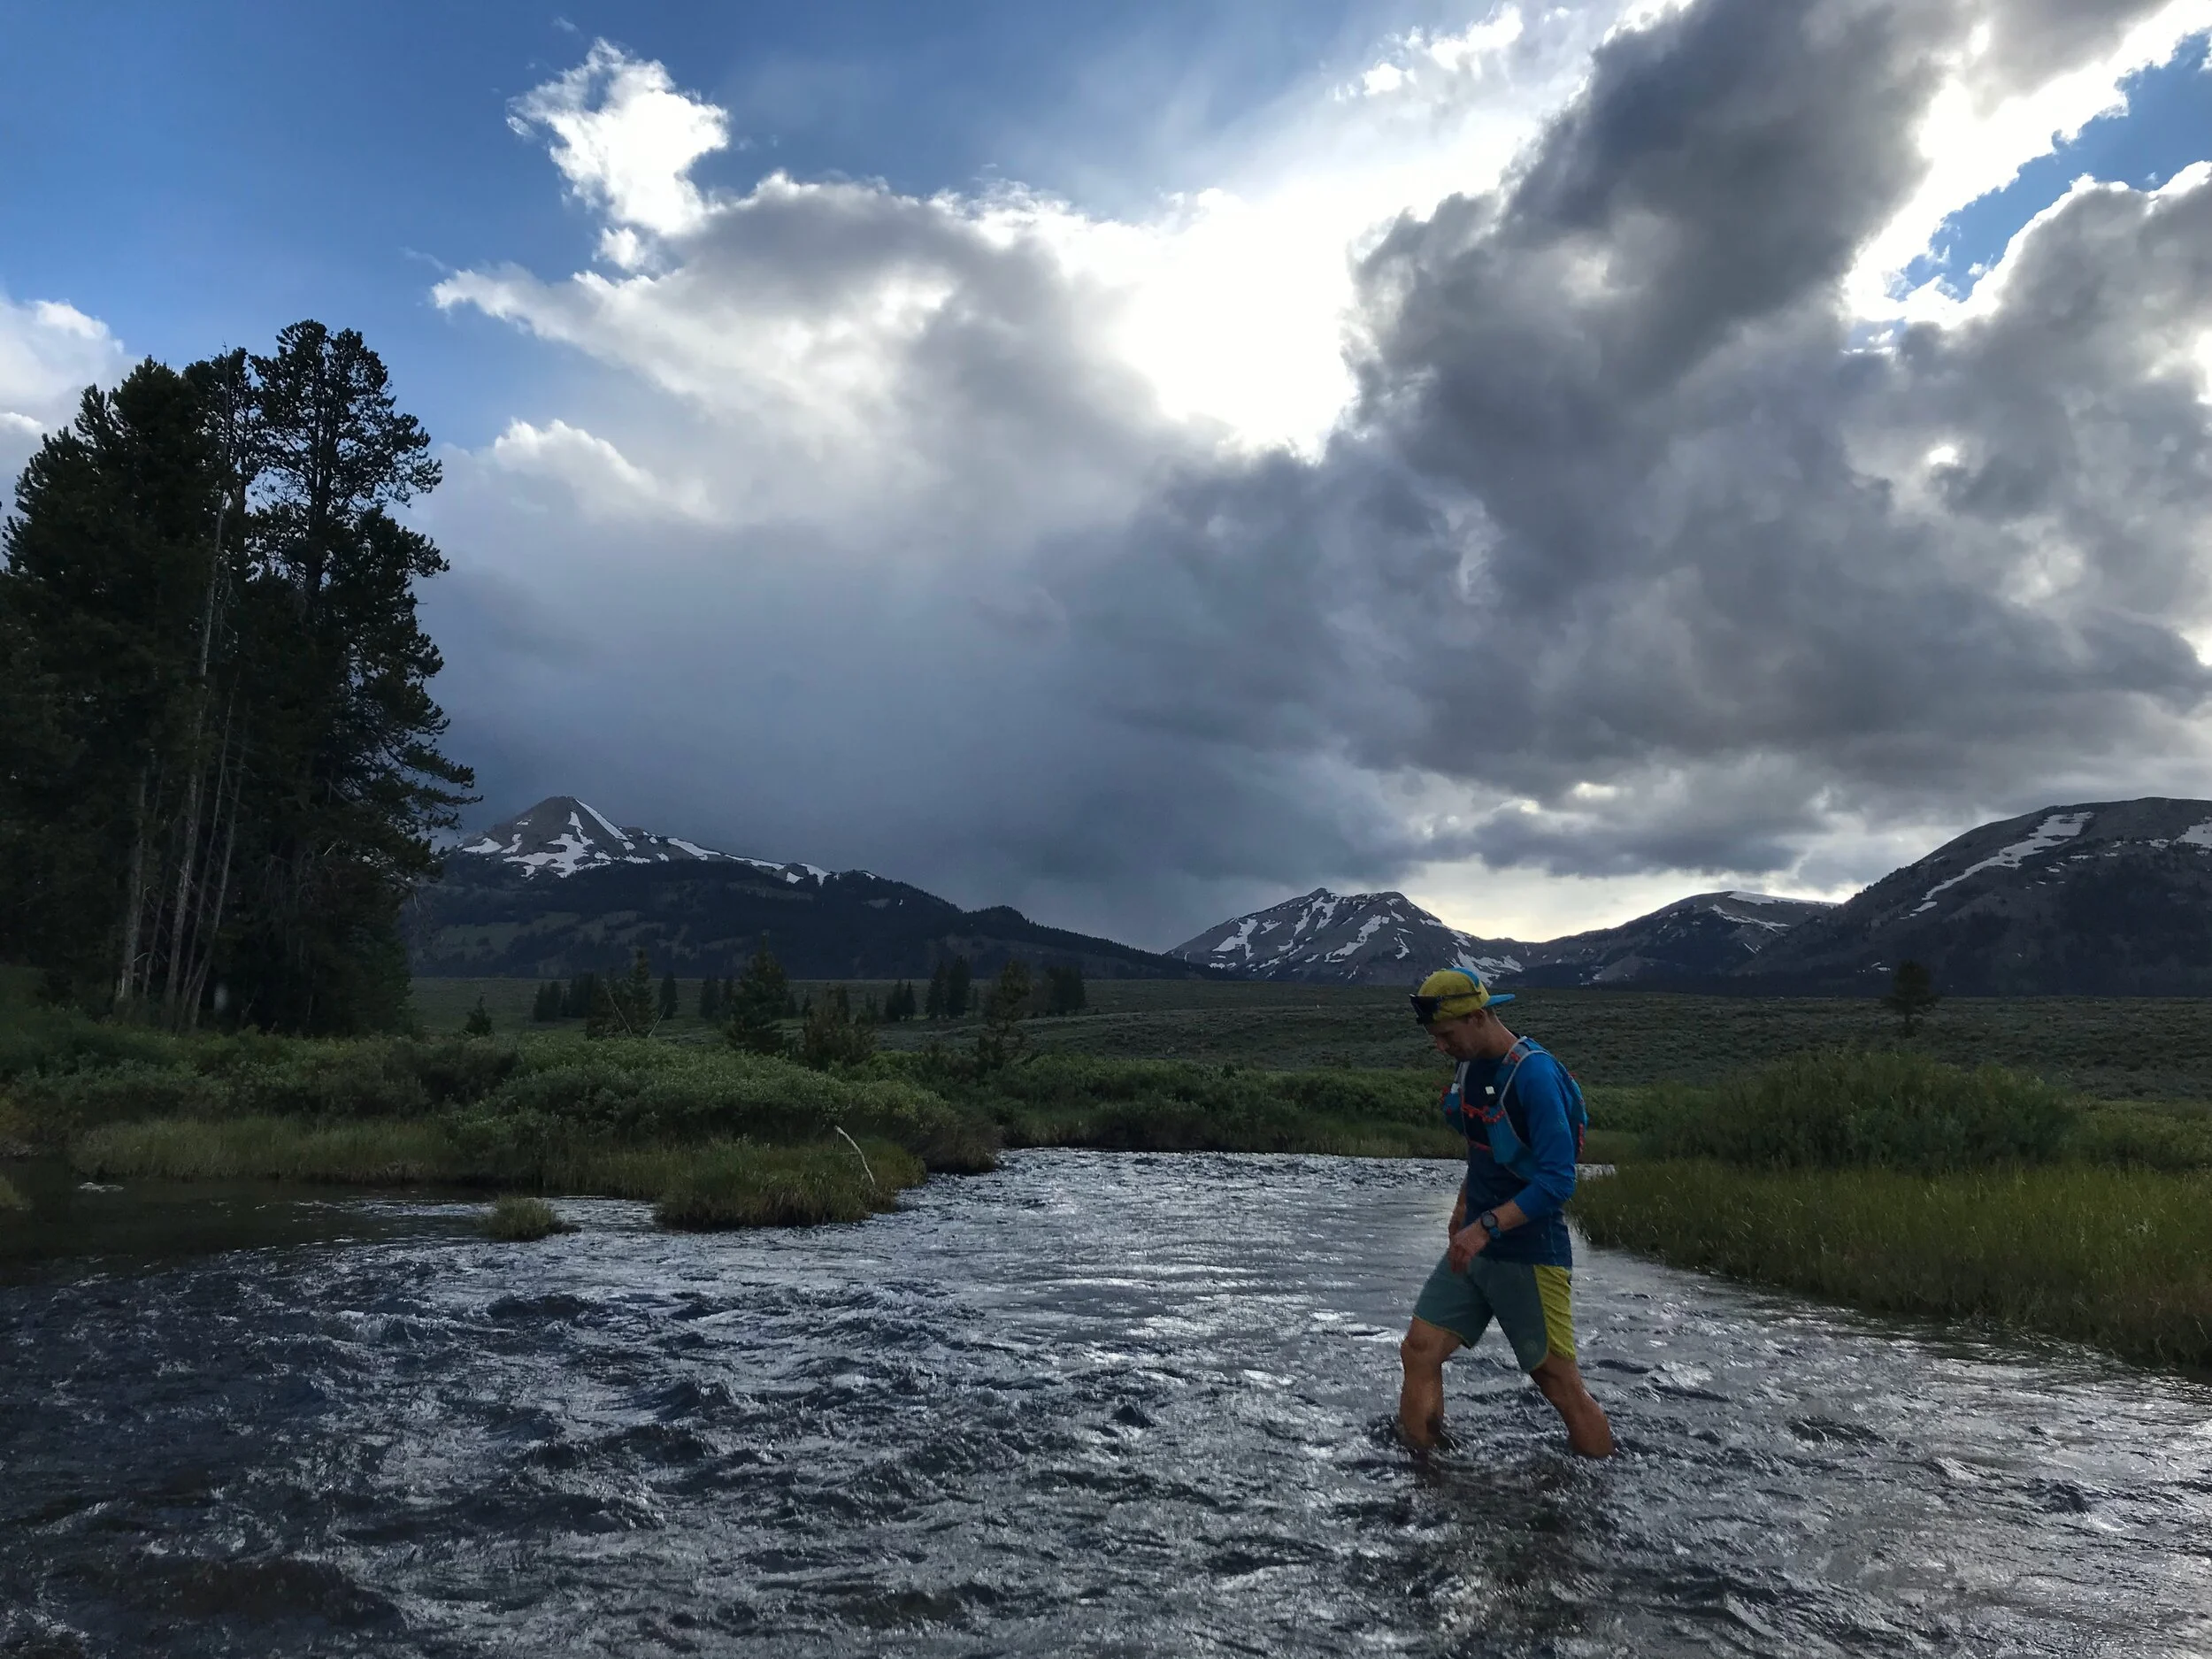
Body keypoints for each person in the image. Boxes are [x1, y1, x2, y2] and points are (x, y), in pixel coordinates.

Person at [1398, 967, 1613, 1457]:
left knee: (1560, 1388)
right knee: (1418, 1352)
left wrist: (1485, 1227)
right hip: (1474, 1245)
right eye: (1435, 1038)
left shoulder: (1535, 1075)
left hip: (1530, 1253)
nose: (1441, 1047)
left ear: (1477, 1017)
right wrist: (1462, 1209)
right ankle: (1422, 1475)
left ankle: (1599, 1493)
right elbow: (1485, 1149)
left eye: (1447, 1035)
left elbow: (1558, 1180)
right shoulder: (1470, 1068)